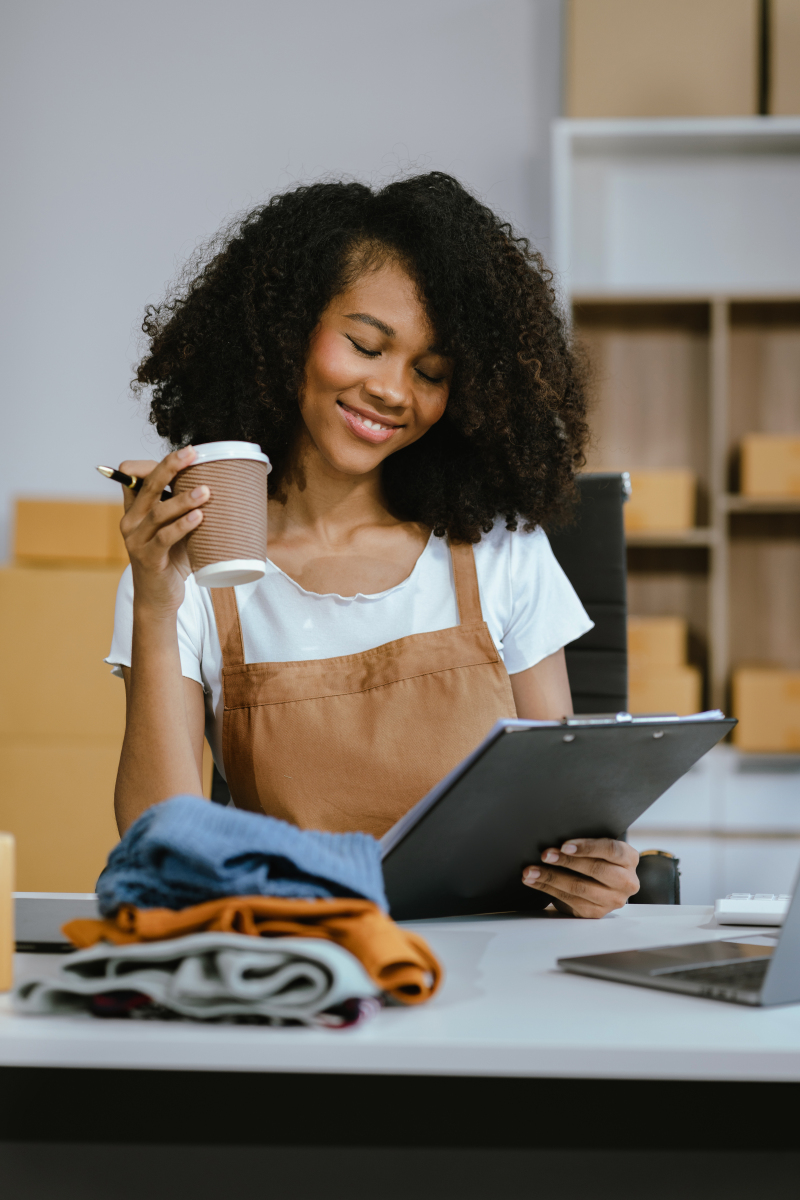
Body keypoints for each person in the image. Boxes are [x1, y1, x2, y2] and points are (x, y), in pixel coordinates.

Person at [107, 173, 639, 917]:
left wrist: (593, 870)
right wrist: (157, 606)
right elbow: (158, 840)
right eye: (366, 345)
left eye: (431, 373)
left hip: (492, 970)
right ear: (288, 330)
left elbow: (557, 823)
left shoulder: (498, 550)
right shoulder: (193, 560)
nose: (394, 391)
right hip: (302, 968)